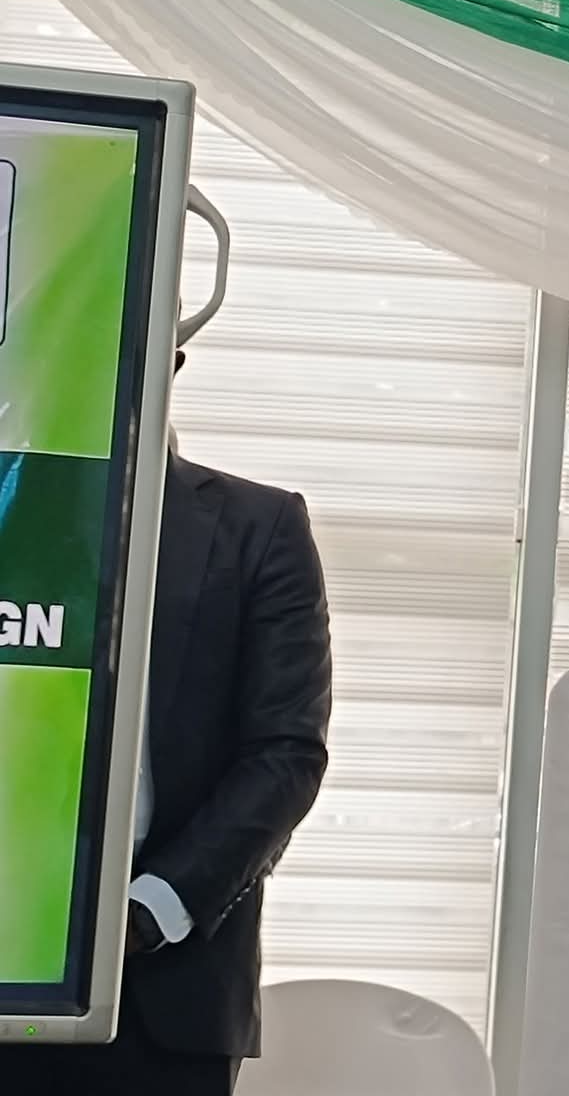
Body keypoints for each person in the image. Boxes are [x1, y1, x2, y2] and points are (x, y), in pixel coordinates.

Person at [8, 378, 333, 1094]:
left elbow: (285, 753)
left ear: (166, 356)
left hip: (166, 999)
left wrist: (150, 912)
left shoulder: (258, 525)